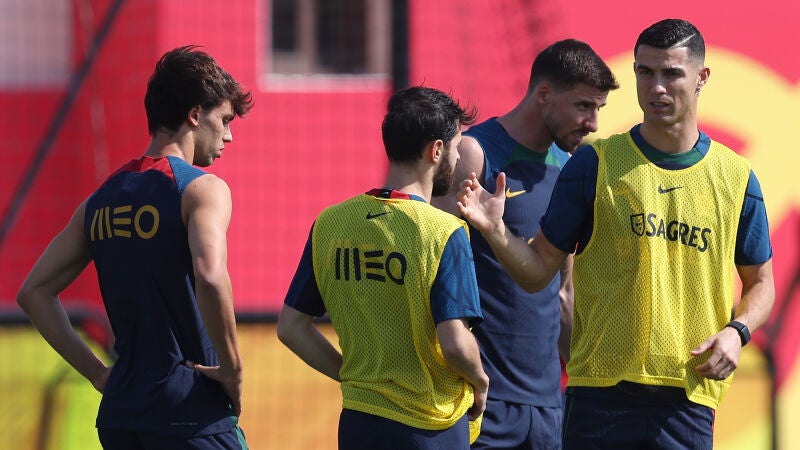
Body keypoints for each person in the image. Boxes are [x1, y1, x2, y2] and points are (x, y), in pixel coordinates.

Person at [456, 19, 775, 450]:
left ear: (701, 78)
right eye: (645, 72)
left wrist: (737, 332)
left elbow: (762, 283)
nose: (656, 87)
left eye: (671, 73)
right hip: (598, 399)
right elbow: (537, 273)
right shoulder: (593, 165)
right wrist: (495, 230)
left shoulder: (736, 178)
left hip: (689, 401)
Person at [16, 45, 253, 449]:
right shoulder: (202, 189)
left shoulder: (99, 200)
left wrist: (97, 373)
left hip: (121, 416)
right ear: (195, 114)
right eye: (225, 120)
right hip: (190, 413)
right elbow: (211, 277)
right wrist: (232, 370)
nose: (229, 135)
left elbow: (33, 292)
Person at [277, 86, 490, 450]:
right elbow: (455, 343)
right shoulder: (444, 232)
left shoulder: (330, 223)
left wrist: (355, 379)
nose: (458, 159)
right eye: (456, 147)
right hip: (428, 427)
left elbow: (291, 328)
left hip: (359, 424)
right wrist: (481, 381)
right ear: (436, 150)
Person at [431, 39, 618, 450]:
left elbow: (563, 293)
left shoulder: (570, 169)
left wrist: (596, 386)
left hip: (548, 409)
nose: (593, 123)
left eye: (598, 109)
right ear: (544, 94)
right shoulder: (475, 153)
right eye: (584, 106)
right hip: (478, 401)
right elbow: (430, 266)